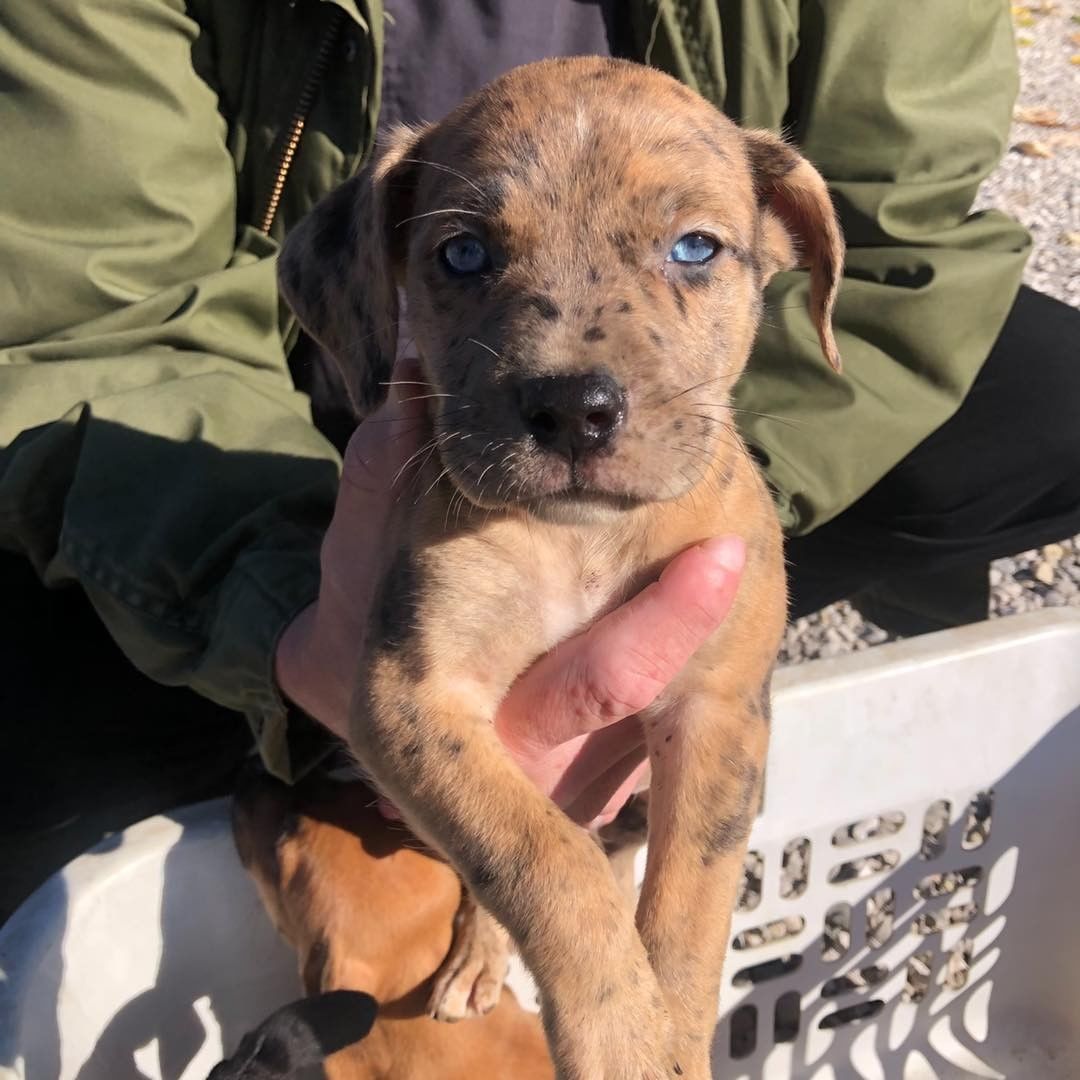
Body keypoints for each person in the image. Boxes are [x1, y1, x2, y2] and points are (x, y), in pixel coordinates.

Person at [1, 0, 1077, 924]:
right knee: (45, 802)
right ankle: (323, 765)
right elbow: (100, 317)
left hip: (683, 404)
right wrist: (295, 621)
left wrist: (706, 528)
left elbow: (901, 242)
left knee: (1049, 413)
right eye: (467, 246)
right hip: (293, 424)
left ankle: (662, 668)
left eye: (694, 244)